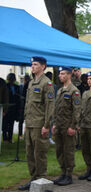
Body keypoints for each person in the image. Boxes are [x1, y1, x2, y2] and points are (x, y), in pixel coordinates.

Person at [19, 57, 55, 191]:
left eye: (35, 64)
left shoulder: (46, 83)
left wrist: (46, 125)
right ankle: (33, 179)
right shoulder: (31, 82)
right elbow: (28, 104)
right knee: (29, 153)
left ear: (43, 67)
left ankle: (42, 180)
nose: (32, 67)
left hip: (39, 124)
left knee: (39, 153)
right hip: (30, 123)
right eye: (32, 64)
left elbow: (50, 106)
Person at [52, 66, 81, 186]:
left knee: (68, 151)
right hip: (59, 125)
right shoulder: (59, 90)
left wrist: (73, 126)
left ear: (69, 75)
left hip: (68, 126)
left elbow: (77, 110)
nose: (60, 76)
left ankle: (69, 175)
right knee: (59, 151)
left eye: (63, 74)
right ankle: (63, 173)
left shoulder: (74, 91)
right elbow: (56, 109)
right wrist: (54, 123)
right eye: (60, 74)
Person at [2, 73, 21, 143]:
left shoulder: (17, 87)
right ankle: (4, 138)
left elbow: (18, 98)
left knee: (11, 124)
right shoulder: (6, 86)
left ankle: (10, 138)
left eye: (13, 79)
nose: (12, 80)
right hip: (7, 108)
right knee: (5, 124)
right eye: (10, 79)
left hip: (14, 108)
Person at [45, 71, 56, 145]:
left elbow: (55, 97)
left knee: (51, 122)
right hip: (45, 106)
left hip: (52, 106)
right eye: (49, 76)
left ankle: (49, 137)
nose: (50, 78)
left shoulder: (54, 86)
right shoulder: (44, 84)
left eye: (51, 76)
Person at [18, 74, 31, 139]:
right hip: (22, 106)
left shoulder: (29, 86)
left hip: (27, 106)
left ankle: (26, 134)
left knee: (27, 121)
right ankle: (20, 134)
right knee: (21, 121)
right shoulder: (20, 86)